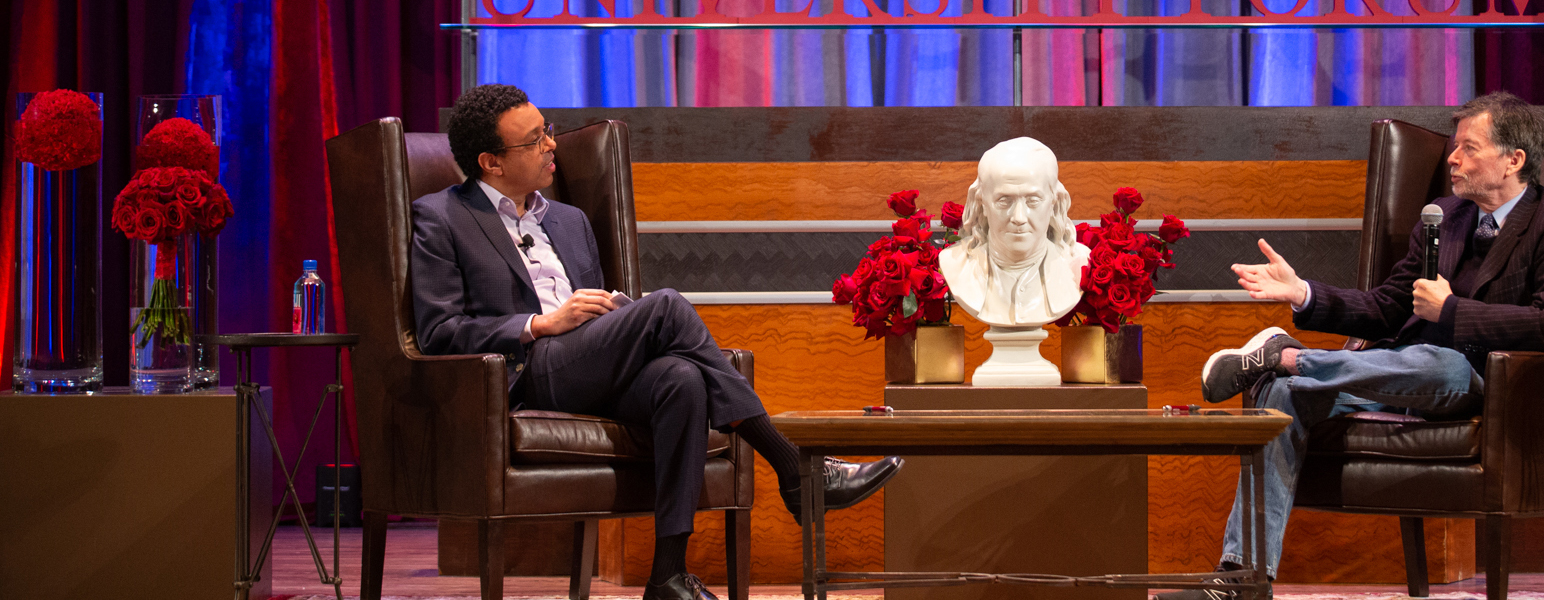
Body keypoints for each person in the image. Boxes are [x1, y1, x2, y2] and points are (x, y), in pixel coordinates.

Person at [411, 85, 901, 600]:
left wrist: (615, 314)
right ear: (491, 161)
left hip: (590, 365)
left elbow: (598, 309)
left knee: (681, 379)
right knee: (666, 305)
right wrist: (540, 324)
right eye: (534, 141)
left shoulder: (568, 220)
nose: (551, 146)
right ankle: (794, 469)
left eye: (548, 131)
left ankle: (667, 574)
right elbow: (439, 332)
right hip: (525, 373)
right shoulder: (442, 218)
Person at [1157, 92, 1544, 599]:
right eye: (1455, 147)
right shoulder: (1445, 218)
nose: (1452, 159)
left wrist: (1452, 312)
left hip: (1479, 382)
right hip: (1387, 373)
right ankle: (1242, 579)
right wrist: (1303, 293)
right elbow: (1387, 307)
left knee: (1443, 364)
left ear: (1513, 160)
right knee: (1281, 396)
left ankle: (1291, 356)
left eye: (1469, 149)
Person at [937, 136, 1090, 325]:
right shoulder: (954, 265)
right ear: (982, 202)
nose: (1019, 217)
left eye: (1033, 200)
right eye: (1004, 201)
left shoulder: (1077, 265)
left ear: (1054, 202)